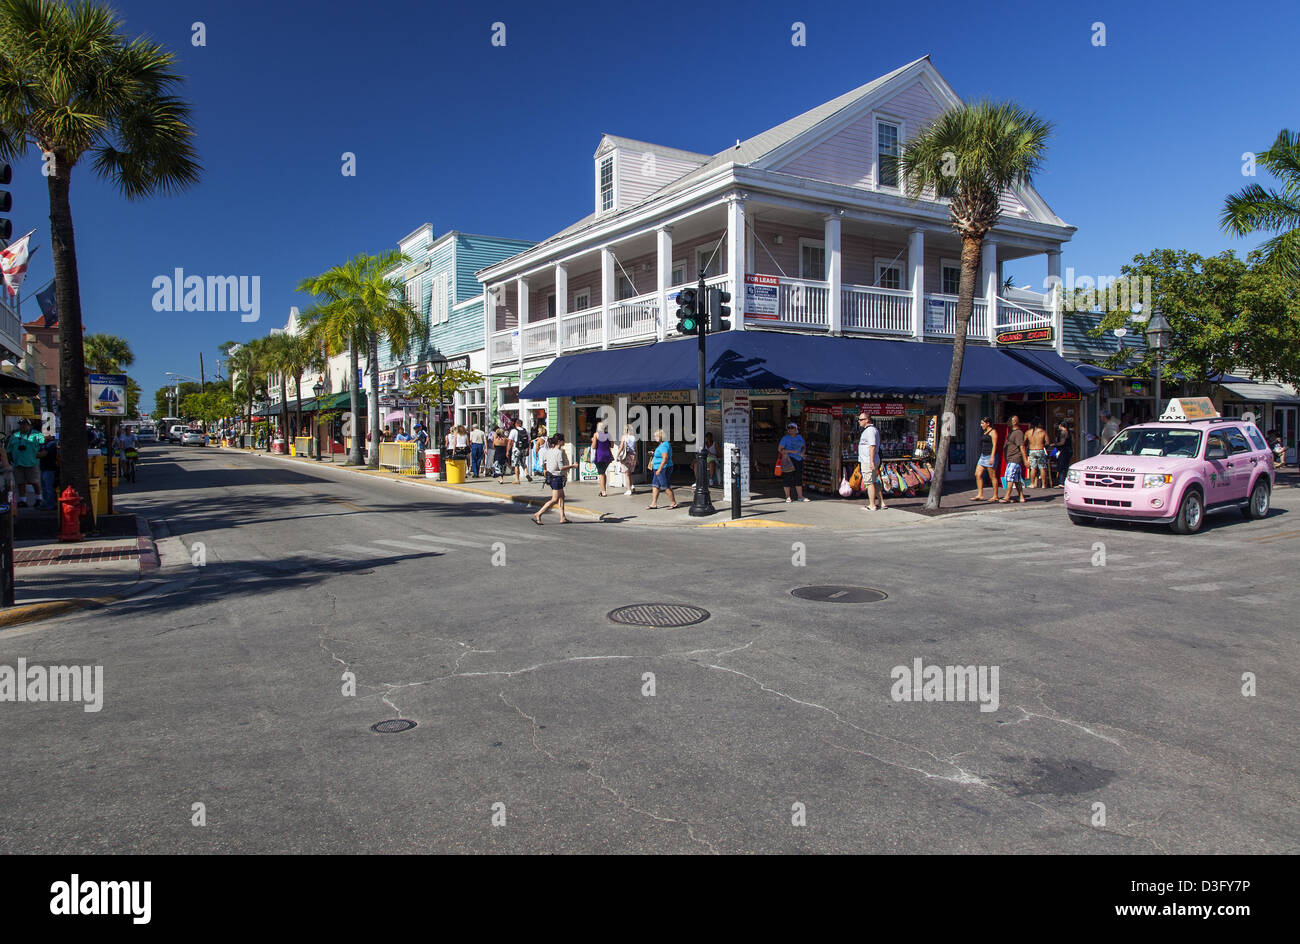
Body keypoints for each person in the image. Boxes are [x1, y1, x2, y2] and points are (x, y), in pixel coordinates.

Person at [532, 434, 578, 524]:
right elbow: (561, 467)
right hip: (556, 477)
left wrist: (546, 470)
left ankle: (562, 517)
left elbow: (544, 461)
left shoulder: (549, 451)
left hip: (551, 476)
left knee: (562, 497)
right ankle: (539, 513)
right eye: (563, 440)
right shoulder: (558, 452)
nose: (564, 441)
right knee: (555, 499)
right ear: (559, 441)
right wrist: (573, 466)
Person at [7, 418, 45, 508]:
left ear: (30, 425)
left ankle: (39, 499)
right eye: (21, 424)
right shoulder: (15, 435)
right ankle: (23, 500)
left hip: (32, 463)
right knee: (20, 482)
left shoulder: (38, 435)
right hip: (18, 463)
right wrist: (9, 459)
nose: (23, 426)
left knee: (35, 482)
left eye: (25, 424)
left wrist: (42, 454)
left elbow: (44, 447)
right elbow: (8, 449)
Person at [857, 411, 886, 511]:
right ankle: (882, 503)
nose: (859, 421)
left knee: (869, 482)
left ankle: (872, 505)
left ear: (867, 420)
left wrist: (871, 461)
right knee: (874, 481)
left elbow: (872, 446)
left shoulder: (869, 431)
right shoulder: (871, 430)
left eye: (861, 419)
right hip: (870, 460)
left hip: (868, 460)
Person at [778, 421, 810, 502]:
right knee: (788, 477)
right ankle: (788, 497)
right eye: (789, 428)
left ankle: (800, 496)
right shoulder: (785, 438)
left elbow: (803, 446)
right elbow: (780, 449)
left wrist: (802, 452)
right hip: (788, 459)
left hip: (798, 459)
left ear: (796, 429)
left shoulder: (799, 437)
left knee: (798, 477)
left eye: (792, 428)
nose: (790, 430)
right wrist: (791, 452)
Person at [646, 428, 678, 509]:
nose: (655, 438)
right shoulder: (662, 445)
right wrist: (654, 454)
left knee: (665, 485)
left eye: (656, 436)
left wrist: (659, 469)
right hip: (658, 467)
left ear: (661, 436)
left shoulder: (664, 445)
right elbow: (661, 455)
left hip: (663, 468)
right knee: (655, 485)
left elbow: (665, 458)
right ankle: (653, 503)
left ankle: (673, 502)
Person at [1000, 415, 1028, 504]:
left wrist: (1025, 460)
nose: (1007, 423)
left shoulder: (1018, 433)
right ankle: (1021, 497)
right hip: (1011, 459)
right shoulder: (1012, 432)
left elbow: (1022, 447)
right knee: (1017, 479)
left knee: (1009, 477)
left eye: (1009, 421)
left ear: (1014, 421)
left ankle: (1007, 496)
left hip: (1014, 458)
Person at [973, 416, 1000, 502]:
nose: (981, 425)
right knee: (977, 474)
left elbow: (995, 445)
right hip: (983, 456)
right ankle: (980, 494)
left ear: (988, 423)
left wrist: (992, 457)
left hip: (990, 456)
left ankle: (995, 496)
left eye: (982, 423)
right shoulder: (985, 432)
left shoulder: (993, 432)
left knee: (992, 476)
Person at [590, 421, 615, 496]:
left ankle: (603, 491)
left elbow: (594, 446)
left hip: (599, 456)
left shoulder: (596, 435)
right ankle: (604, 489)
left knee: (601, 473)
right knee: (603, 472)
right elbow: (612, 445)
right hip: (607, 455)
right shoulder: (608, 435)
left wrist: (593, 440)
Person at [1026, 419, 1050, 489]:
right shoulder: (1043, 432)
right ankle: (1043, 484)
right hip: (1040, 450)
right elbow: (1047, 442)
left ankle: (1032, 483)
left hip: (1032, 450)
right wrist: (1043, 444)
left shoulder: (1028, 432)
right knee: (1042, 468)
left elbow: (1024, 441)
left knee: (1033, 468)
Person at [37, 434, 59, 509]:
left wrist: (38, 454)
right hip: (43, 468)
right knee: (44, 488)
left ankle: (50, 505)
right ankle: (46, 503)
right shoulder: (44, 444)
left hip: (50, 468)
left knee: (49, 488)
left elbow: (43, 454)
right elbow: (38, 453)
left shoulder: (52, 444)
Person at [618, 425, 639, 496]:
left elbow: (621, 447)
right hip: (633, 456)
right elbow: (636, 449)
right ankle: (632, 486)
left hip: (626, 456)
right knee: (630, 473)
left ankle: (628, 489)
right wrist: (637, 458)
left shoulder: (624, 437)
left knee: (626, 473)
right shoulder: (634, 438)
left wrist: (617, 455)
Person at [510, 419, 531, 484]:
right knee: (523, 463)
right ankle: (527, 473)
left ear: (516, 424)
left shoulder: (514, 431)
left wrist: (508, 450)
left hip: (516, 449)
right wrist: (528, 450)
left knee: (516, 464)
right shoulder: (526, 431)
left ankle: (517, 479)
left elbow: (510, 441)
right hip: (524, 449)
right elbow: (529, 441)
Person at [1054, 421, 1073, 487]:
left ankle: (1061, 482)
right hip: (1069, 450)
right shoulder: (1068, 432)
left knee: (1062, 466)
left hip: (1064, 450)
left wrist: (1055, 444)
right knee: (1066, 466)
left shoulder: (1063, 432)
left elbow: (1062, 442)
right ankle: (1065, 481)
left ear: (1061, 425)